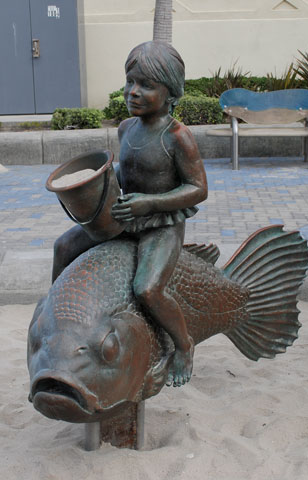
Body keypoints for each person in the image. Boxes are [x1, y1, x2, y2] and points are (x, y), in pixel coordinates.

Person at [52, 41, 207, 387]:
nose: (133, 92)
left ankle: (183, 345)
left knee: (148, 288)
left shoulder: (178, 137)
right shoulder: (126, 129)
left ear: (171, 93)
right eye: (130, 82)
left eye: (146, 86)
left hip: (161, 224)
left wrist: (149, 203)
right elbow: (127, 172)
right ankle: (57, 320)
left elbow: (198, 189)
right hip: (127, 216)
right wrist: (97, 189)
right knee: (63, 248)